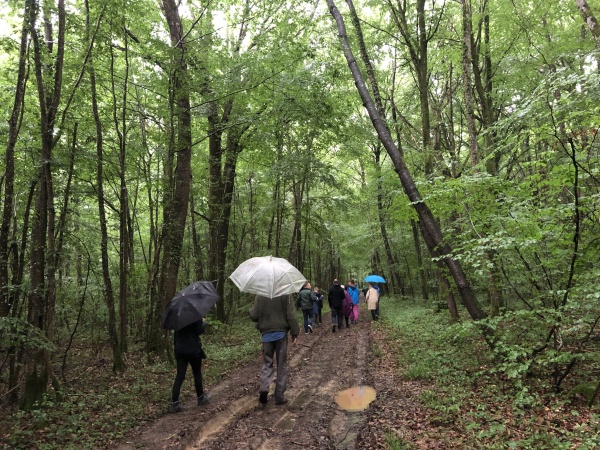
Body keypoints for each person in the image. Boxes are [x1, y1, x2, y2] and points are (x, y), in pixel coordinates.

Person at [249, 294, 299, 406]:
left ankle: (264, 388)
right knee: (281, 364)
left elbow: (254, 315)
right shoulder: (285, 294)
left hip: (266, 335)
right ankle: (279, 396)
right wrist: (294, 333)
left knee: (267, 363)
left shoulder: (260, 295)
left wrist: (251, 309)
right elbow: (291, 315)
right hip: (281, 335)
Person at [169, 318, 210, 413]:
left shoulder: (177, 318)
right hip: (193, 349)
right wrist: (203, 322)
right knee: (197, 373)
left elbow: (176, 335)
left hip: (180, 351)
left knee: (179, 376)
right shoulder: (194, 316)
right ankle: (201, 398)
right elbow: (199, 330)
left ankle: (174, 403)